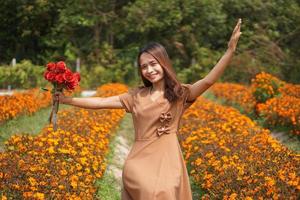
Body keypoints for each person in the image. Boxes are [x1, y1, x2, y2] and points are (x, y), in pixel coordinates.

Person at [55, 18, 242, 200]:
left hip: (169, 161)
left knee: (166, 191)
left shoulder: (180, 93)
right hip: (139, 162)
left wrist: (230, 51)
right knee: (150, 192)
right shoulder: (136, 96)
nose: (149, 70)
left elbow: (208, 80)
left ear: (163, 63)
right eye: (144, 67)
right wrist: (66, 99)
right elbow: (101, 102)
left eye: (153, 64)